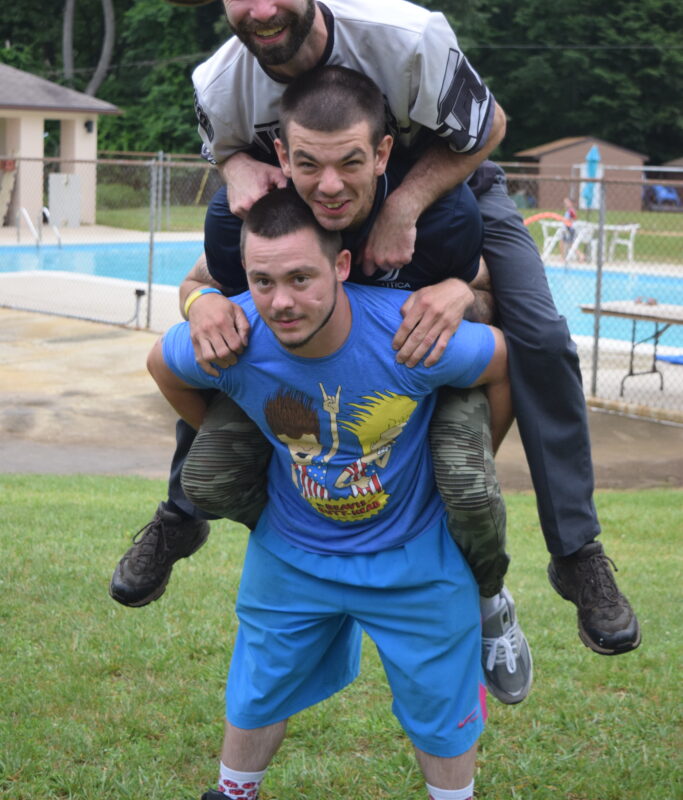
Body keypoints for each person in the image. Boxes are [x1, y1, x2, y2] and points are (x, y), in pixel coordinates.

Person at [112, 0, 639, 657]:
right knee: (231, 314)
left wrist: (408, 205)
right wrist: (231, 169)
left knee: (541, 333)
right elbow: (224, 152)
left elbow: (487, 128)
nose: (260, 8)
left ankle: (575, 552)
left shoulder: (405, 38)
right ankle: (180, 511)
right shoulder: (218, 82)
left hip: (445, 184)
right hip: (308, 193)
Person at [113, 64, 532, 705]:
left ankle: (487, 596)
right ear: (285, 156)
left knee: (466, 481)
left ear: (380, 156)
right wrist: (200, 305)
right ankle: (292, 549)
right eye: (311, 165)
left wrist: (457, 291)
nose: (329, 186)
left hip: (416, 375)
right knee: (209, 476)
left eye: (348, 165)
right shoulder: (272, 212)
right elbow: (200, 282)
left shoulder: (437, 217)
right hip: (306, 385)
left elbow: (495, 301)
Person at [148, 187, 514, 800]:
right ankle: (234, 792)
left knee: (443, 708)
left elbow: (501, 362)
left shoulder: (406, 335)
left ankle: (489, 609)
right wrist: (251, 426)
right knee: (256, 687)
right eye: (262, 282)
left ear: (341, 267)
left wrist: (481, 457)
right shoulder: (235, 336)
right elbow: (163, 364)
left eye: (300, 278)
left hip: (415, 556)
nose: (281, 302)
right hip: (292, 551)